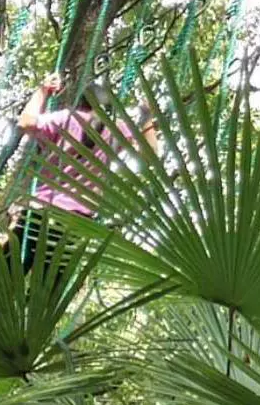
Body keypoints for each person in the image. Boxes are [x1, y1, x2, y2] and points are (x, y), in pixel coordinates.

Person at [14, 74, 155, 271]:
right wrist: (148, 117)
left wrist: (43, 91)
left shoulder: (65, 118)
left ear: (81, 101)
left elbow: (25, 122)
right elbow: (150, 156)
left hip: (41, 210)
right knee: (48, 287)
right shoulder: (116, 130)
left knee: (9, 273)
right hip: (76, 222)